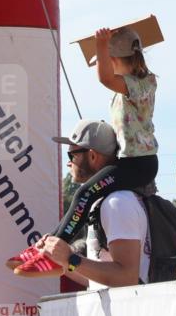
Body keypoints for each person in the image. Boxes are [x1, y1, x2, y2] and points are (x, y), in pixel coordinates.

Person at [9, 25, 158, 275]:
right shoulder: (134, 83)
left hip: (139, 163)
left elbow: (104, 78)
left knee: (85, 194)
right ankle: (45, 247)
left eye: (104, 59)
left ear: (113, 59)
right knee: (84, 194)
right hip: (133, 161)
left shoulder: (142, 83)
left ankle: (54, 251)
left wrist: (100, 44)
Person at [33, 120, 151, 289]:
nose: (69, 163)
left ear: (93, 156)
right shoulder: (102, 202)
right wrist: (58, 258)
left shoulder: (117, 203)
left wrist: (71, 258)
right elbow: (97, 281)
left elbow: (127, 277)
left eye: (72, 155)